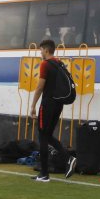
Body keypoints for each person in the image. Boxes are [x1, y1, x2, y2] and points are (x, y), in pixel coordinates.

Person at [28, 39, 77, 182]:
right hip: (58, 104)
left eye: (41, 50)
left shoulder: (45, 64)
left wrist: (32, 106)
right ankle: (68, 159)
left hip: (48, 104)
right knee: (48, 136)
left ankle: (44, 174)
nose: (40, 53)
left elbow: (40, 87)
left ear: (46, 50)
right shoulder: (59, 63)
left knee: (43, 137)